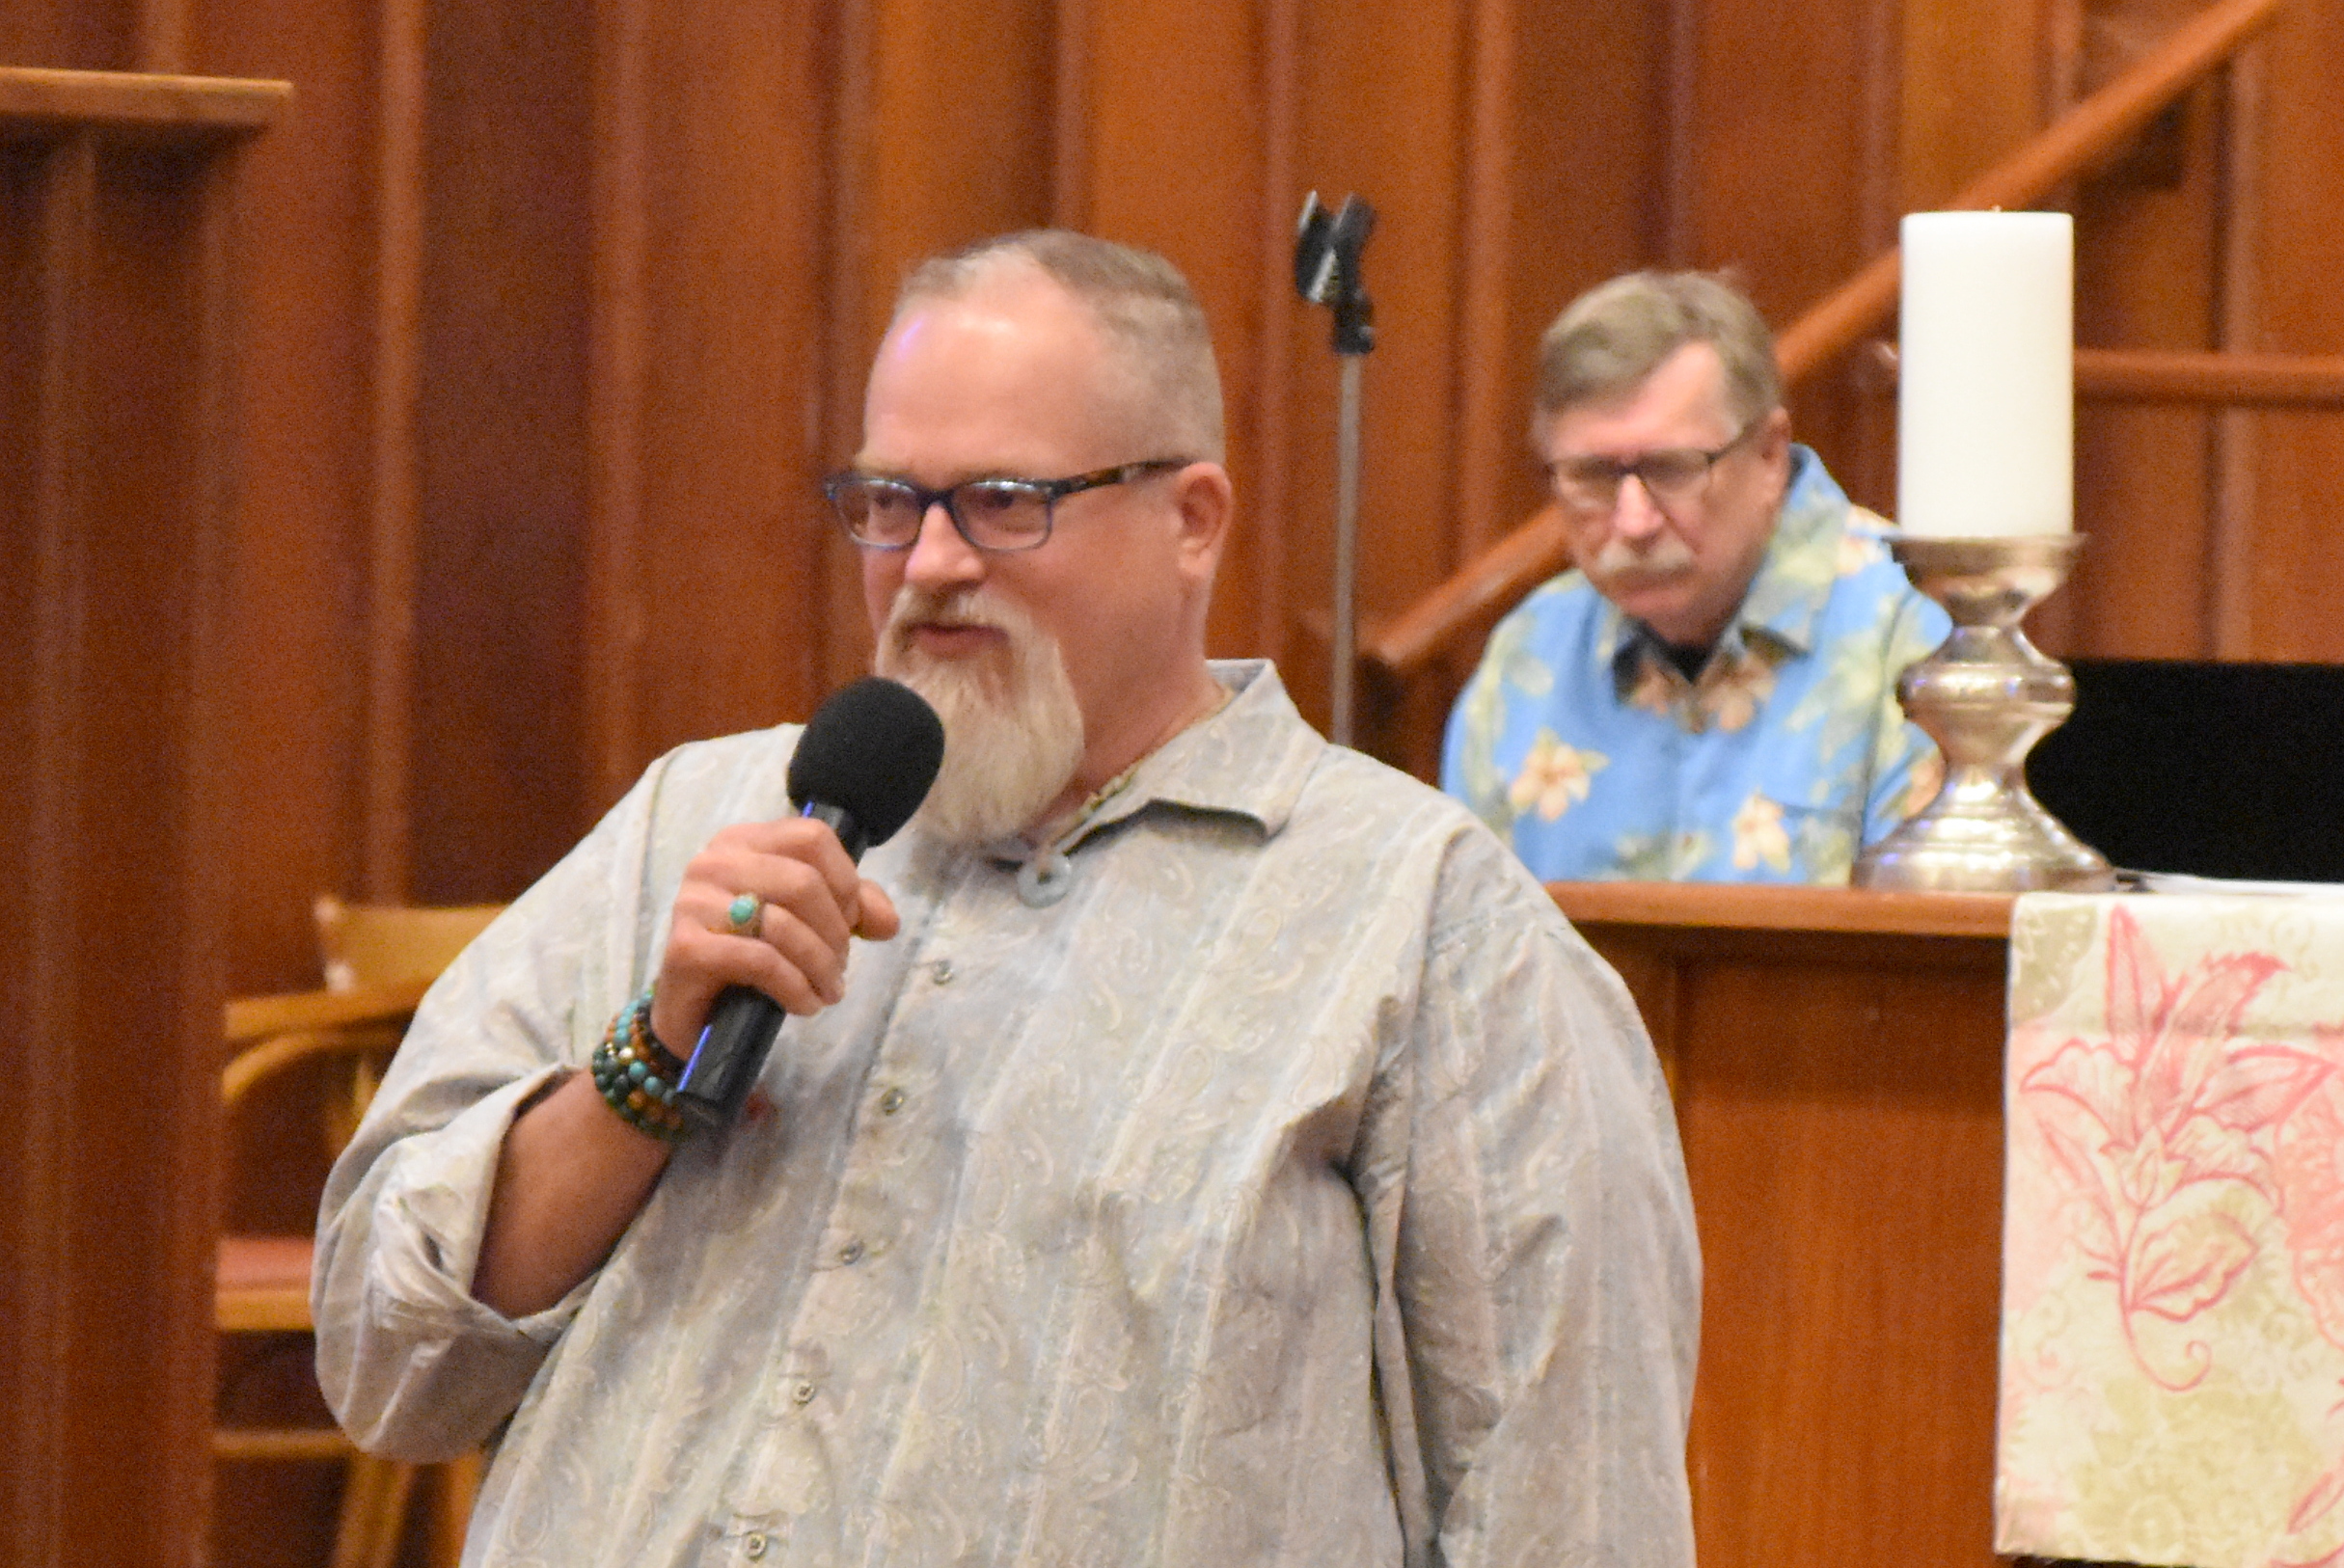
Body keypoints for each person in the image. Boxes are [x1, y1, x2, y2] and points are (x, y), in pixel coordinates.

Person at [315, 230, 1698, 1567]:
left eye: (1002, 501)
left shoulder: (1433, 928)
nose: (928, 563)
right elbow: (384, 1363)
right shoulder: (703, 821)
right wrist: (649, 1062)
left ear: (1191, 521)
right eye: (889, 502)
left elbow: (1571, 1510)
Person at [1441, 270, 1949, 883]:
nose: (1634, 523)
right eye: (1593, 476)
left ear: (1769, 453)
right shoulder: (1529, 653)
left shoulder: (1913, 628)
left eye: (1672, 469)